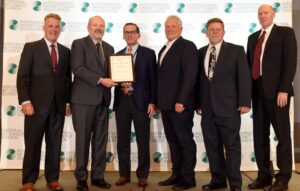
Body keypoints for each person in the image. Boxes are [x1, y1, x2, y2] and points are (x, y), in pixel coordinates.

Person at [16, 13, 71, 191]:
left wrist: (68, 103)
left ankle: (52, 179)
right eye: (50, 26)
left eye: (57, 26)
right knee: (33, 144)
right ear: (44, 27)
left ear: (60, 29)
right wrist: (25, 101)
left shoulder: (65, 51)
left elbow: (66, 80)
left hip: (58, 107)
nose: (54, 29)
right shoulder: (31, 48)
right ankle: (29, 181)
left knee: (55, 145)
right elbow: (22, 77)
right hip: (35, 107)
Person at [197, 18, 251, 191]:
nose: (214, 32)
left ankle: (235, 184)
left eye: (218, 29)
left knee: (232, 147)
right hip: (207, 109)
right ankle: (218, 181)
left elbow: (244, 77)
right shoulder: (200, 52)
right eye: (211, 29)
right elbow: (198, 82)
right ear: (206, 32)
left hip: (229, 108)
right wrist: (198, 103)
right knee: (212, 147)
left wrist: (244, 102)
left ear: (223, 31)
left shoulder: (236, 50)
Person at [247, 4, 297, 191]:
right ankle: (264, 176)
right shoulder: (252, 38)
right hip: (257, 93)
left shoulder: (285, 33)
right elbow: (249, 67)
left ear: (273, 14)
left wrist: (284, 89)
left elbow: (290, 62)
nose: (262, 16)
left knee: (283, 136)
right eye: (260, 13)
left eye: (266, 12)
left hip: (278, 94)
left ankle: (282, 179)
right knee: (260, 137)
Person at [70, 16, 117, 191]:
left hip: (103, 102)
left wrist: (123, 80)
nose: (98, 28)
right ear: (88, 27)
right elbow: (78, 68)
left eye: (101, 26)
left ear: (104, 28)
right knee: (82, 140)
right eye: (95, 25)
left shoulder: (109, 48)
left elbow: (113, 73)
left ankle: (98, 176)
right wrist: (100, 80)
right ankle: (81, 178)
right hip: (83, 101)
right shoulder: (79, 44)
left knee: (100, 141)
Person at [113, 23, 157, 187]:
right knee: (122, 141)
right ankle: (124, 174)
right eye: (127, 32)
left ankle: (142, 175)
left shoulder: (148, 54)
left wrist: (153, 101)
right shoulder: (117, 56)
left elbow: (154, 80)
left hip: (142, 102)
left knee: (143, 141)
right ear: (123, 35)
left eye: (133, 32)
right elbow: (115, 80)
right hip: (122, 102)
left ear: (138, 35)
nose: (130, 35)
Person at [157, 15, 198, 191]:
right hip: (166, 105)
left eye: (173, 26)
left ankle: (188, 178)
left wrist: (181, 100)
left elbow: (190, 76)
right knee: (173, 141)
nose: (170, 29)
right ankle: (177, 174)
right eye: (167, 26)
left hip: (180, 105)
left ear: (181, 28)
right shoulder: (164, 48)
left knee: (185, 141)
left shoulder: (187, 46)